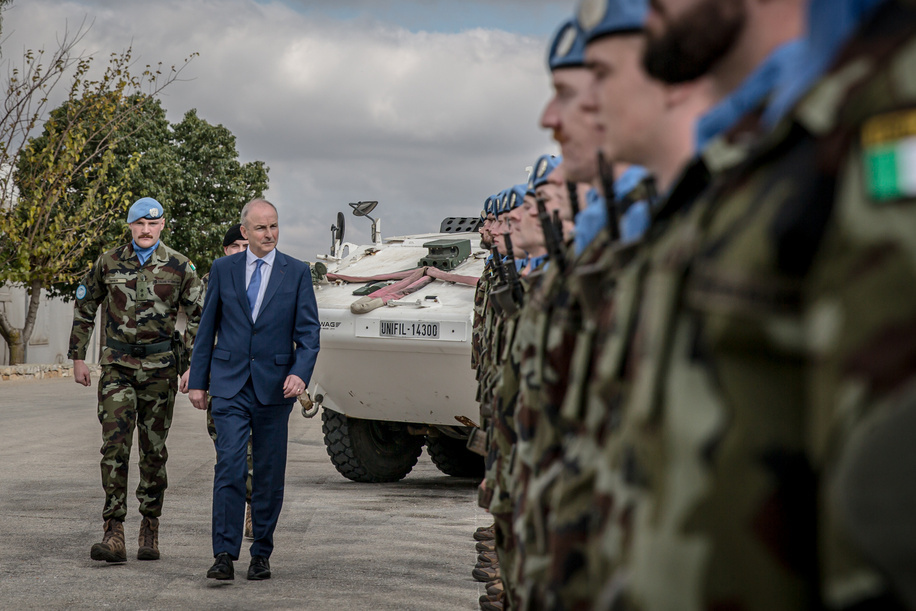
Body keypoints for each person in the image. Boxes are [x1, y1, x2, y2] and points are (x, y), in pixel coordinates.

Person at [188, 198, 320, 581]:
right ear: (244, 231)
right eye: (261, 228)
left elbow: (309, 333)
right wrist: (199, 380)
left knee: (268, 472)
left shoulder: (295, 272)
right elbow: (207, 328)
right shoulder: (223, 269)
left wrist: (300, 373)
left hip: (275, 388)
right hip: (229, 385)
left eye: (274, 226)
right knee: (228, 465)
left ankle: (261, 552)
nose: (269, 234)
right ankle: (224, 554)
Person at [69, 196, 204, 563]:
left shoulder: (179, 266)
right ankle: (114, 531)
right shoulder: (109, 261)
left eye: (153, 223)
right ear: (130, 226)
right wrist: (78, 356)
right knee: (114, 446)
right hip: (117, 366)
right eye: (139, 223)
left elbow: (200, 314)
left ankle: (150, 527)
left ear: (162, 226)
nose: (146, 230)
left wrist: (192, 363)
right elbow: (84, 304)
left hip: (161, 369)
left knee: (153, 452)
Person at [186, 223, 256, 539]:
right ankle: (232, 511)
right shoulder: (211, 281)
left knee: (258, 451)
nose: (240, 253)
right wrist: (195, 370)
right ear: (224, 250)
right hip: (223, 382)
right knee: (229, 453)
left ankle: (254, 508)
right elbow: (199, 331)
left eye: (246, 246)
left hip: (259, 382)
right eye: (235, 247)